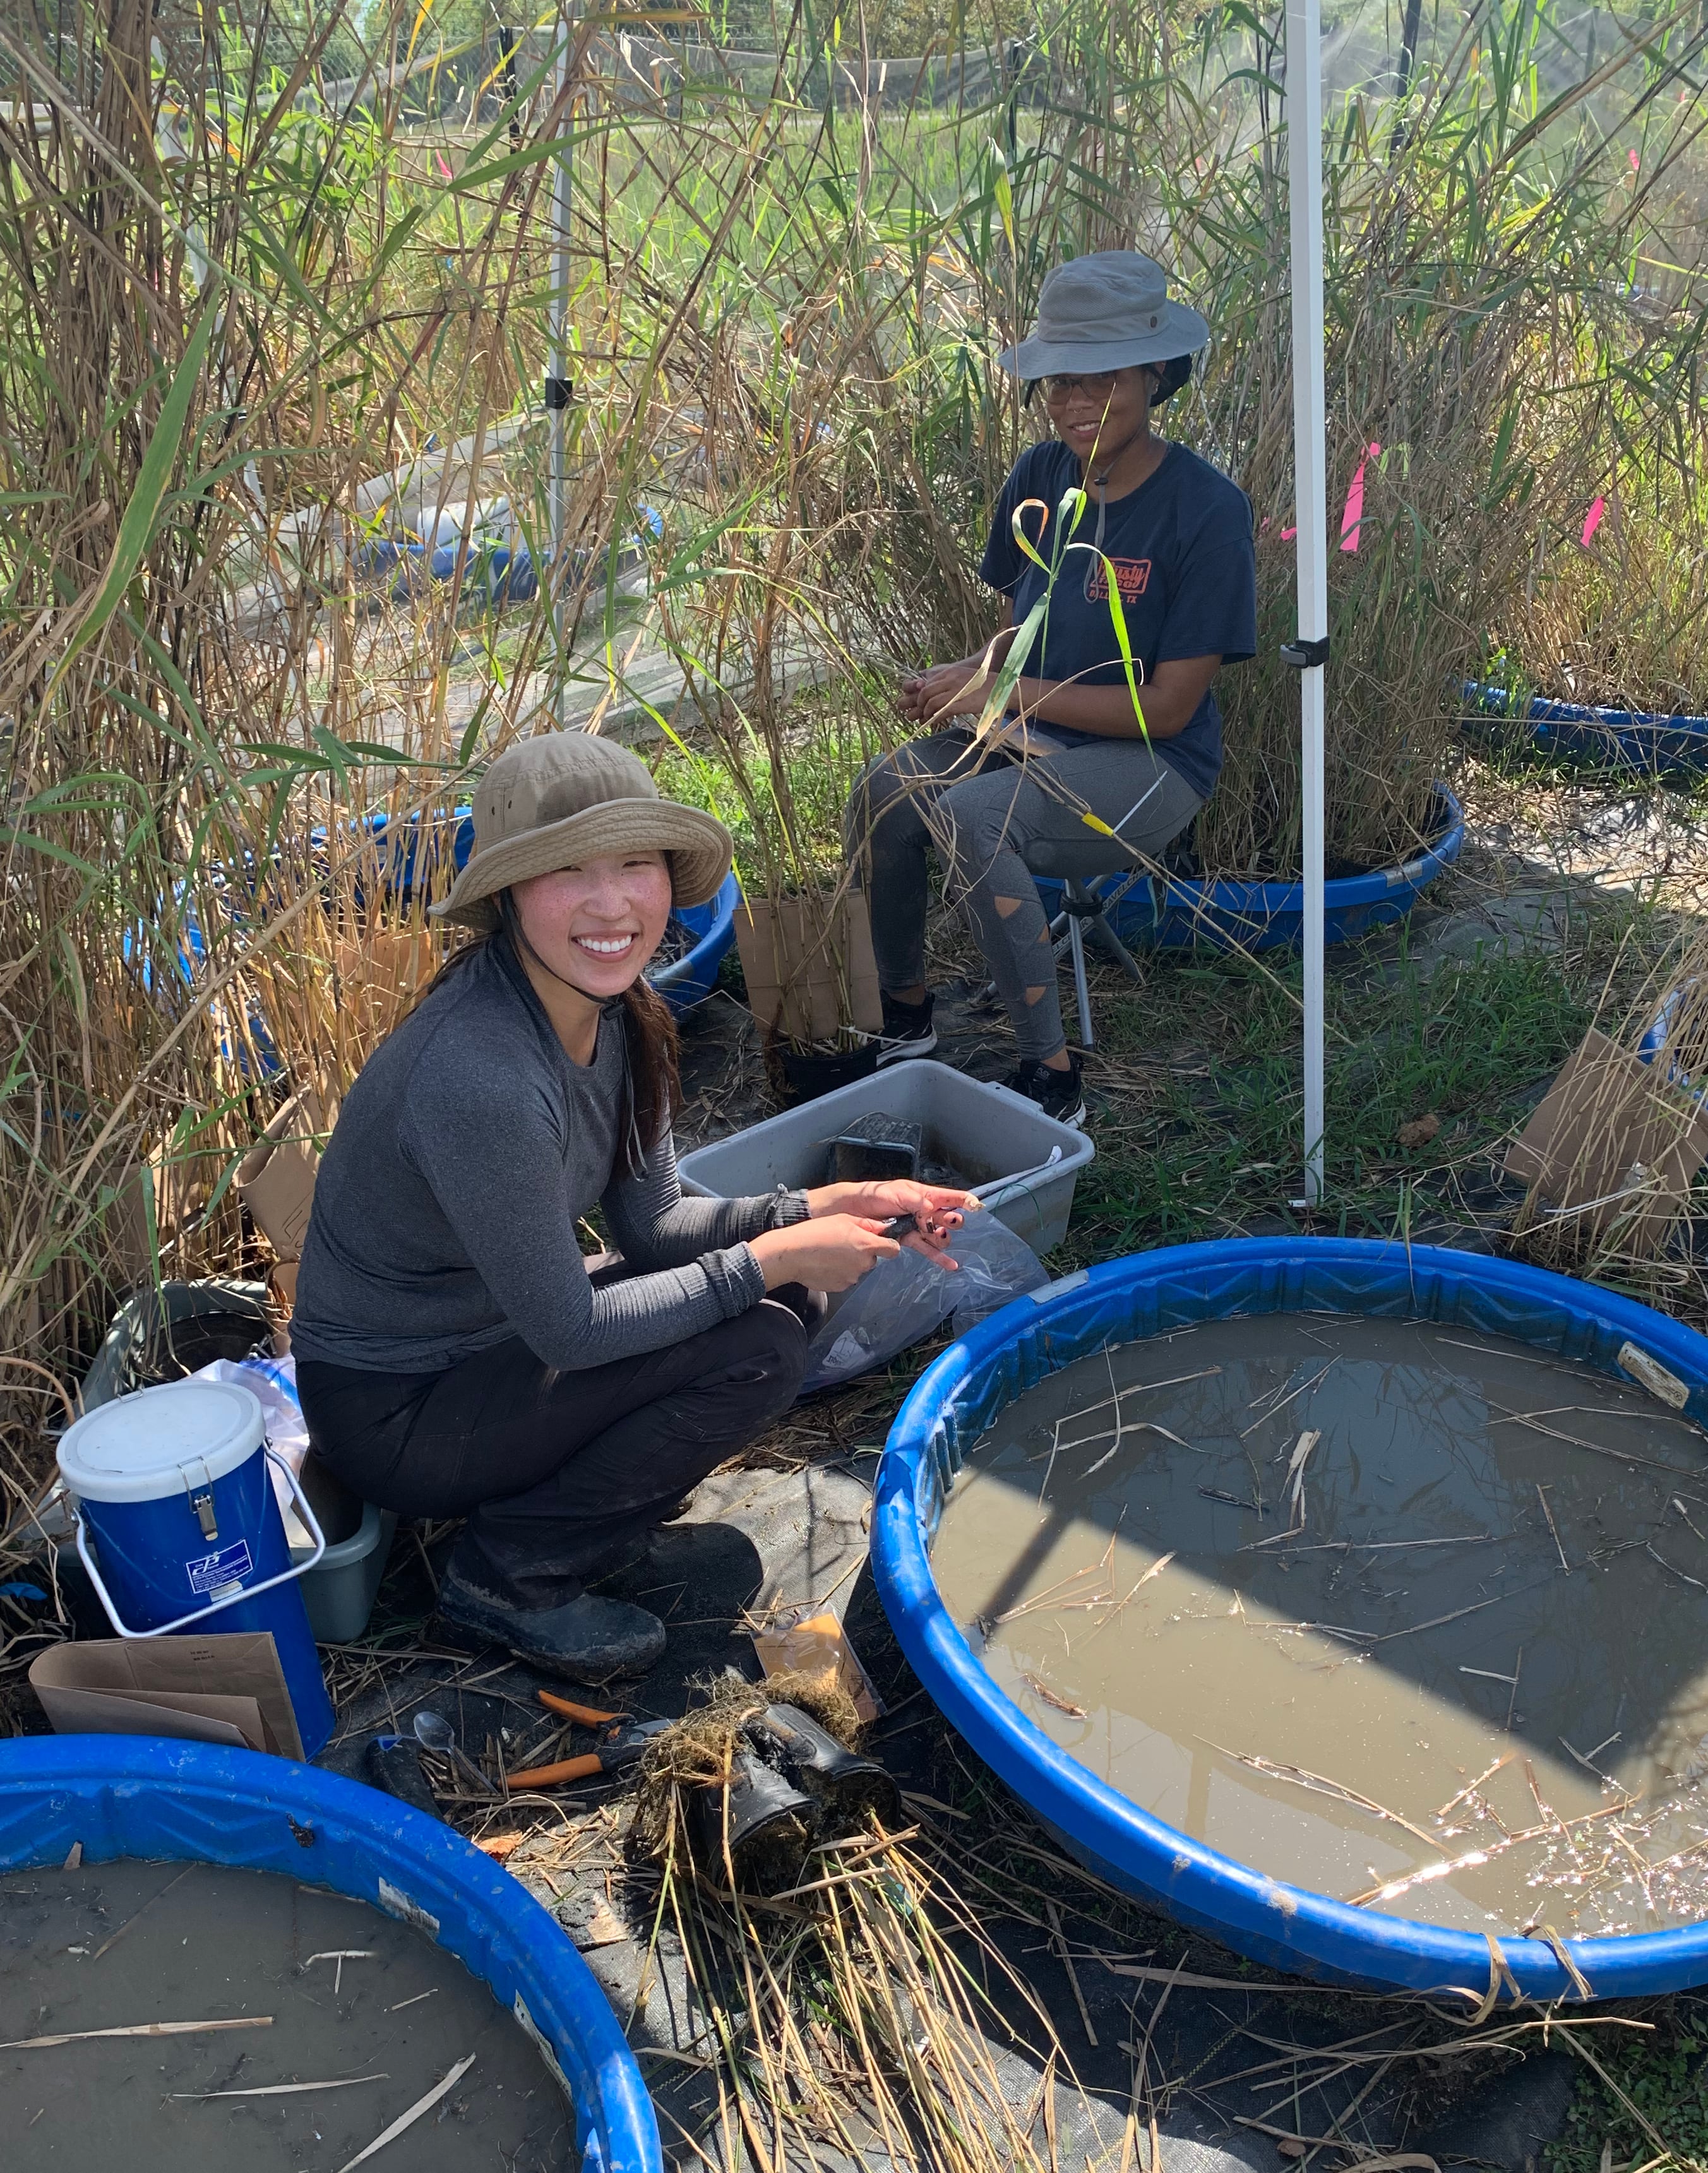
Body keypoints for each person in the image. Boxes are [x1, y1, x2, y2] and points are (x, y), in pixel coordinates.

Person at [291, 734, 974, 1682]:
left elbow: (653, 1229)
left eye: (634, 864)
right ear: (507, 895)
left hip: (496, 1341)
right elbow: (570, 1328)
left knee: (793, 1298)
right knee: (760, 1338)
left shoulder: (619, 1009)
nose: (611, 903)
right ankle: (509, 1571)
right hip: (398, 1409)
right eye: (567, 870)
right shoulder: (478, 1075)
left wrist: (829, 1202)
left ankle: (581, 1507)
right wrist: (778, 1255)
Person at [846, 251, 1258, 1125]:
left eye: (1098, 381)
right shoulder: (1039, 478)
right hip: (1031, 734)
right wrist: (966, 676)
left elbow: (1166, 708)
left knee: (972, 816)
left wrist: (1000, 690)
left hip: (1149, 763)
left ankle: (1051, 1077)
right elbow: (1022, 630)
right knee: (887, 790)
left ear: (1154, 373)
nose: (1074, 406)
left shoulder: (1205, 510)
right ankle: (906, 1020)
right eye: (1056, 383)